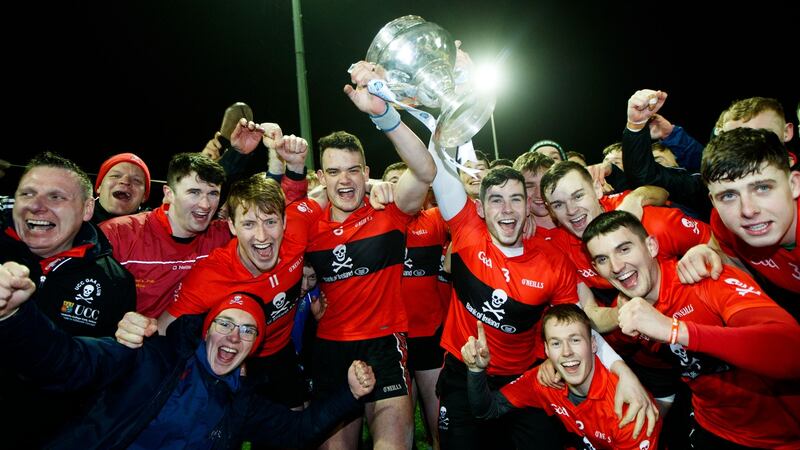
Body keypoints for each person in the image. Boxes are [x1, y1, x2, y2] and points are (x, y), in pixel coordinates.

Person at [0, 261, 377, 449]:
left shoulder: (241, 401)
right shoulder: (149, 356)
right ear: (206, 328)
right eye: (226, 324)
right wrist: (15, 315)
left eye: (248, 331)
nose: (234, 336)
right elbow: (68, 361)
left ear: (253, 348)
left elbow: (298, 431)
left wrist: (348, 394)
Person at [426, 152, 656, 449]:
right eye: (497, 200)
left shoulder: (552, 253)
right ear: (481, 208)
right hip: (466, 369)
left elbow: (580, 321)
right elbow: (434, 169)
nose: (509, 208)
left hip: (529, 374)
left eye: (519, 198)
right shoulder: (475, 231)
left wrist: (620, 369)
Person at [296, 60, 437, 449]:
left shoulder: (388, 212)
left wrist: (384, 115)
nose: (345, 180)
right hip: (329, 348)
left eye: (354, 170)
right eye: (335, 172)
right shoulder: (309, 223)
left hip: (383, 344)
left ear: (367, 172)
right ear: (321, 177)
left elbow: (425, 171)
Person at [583, 210, 800, 449]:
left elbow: (790, 349)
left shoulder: (703, 278)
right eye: (602, 259)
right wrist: (624, 373)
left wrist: (674, 330)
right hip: (713, 424)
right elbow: (605, 344)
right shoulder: (627, 313)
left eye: (624, 249)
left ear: (652, 246)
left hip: (781, 431)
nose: (615, 266)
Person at [0, 151, 136, 446]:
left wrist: (13, 315)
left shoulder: (115, 282)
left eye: (56, 197)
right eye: (27, 193)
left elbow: (96, 375)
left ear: (87, 208)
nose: (36, 206)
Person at [156, 166, 319, 411]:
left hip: (280, 351)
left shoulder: (297, 231)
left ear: (285, 222)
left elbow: (329, 194)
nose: (262, 236)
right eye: (249, 224)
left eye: (271, 221)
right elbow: (162, 332)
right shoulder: (210, 275)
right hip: (231, 358)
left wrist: (376, 187)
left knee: (298, 422)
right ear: (232, 226)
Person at [462, 304, 661, 450]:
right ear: (547, 350)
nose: (566, 352)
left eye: (575, 340)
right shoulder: (545, 380)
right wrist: (475, 371)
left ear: (593, 344)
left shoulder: (628, 407)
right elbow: (487, 410)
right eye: (556, 343)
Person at [678, 127, 799, 318]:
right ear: (713, 202)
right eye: (728, 196)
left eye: (762, 188)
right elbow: (725, 255)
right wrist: (706, 252)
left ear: (794, 185)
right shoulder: (723, 225)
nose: (748, 210)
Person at [100, 151, 232, 318]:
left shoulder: (223, 234)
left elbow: (266, 218)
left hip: (193, 340)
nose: (205, 205)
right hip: (124, 340)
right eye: (194, 192)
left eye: (213, 194)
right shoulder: (117, 234)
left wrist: (276, 159)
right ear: (169, 194)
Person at [380, 162, 450, 450]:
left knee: (440, 429)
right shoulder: (374, 222)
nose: (401, 188)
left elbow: (474, 209)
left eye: (406, 182)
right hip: (391, 338)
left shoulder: (435, 218)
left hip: (429, 337)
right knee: (400, 433)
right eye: (393, 182)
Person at [92, 152, 151, 223]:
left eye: (136, 180)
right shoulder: (77, 219)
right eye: (115, 176)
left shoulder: (154, 229)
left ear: (144, 196)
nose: (125, 181)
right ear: (99, 187)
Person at [511, 151, 558, 238]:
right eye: (529, 186)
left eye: (545, 184)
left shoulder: (576, 224)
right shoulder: (511, 233)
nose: (539, 194)